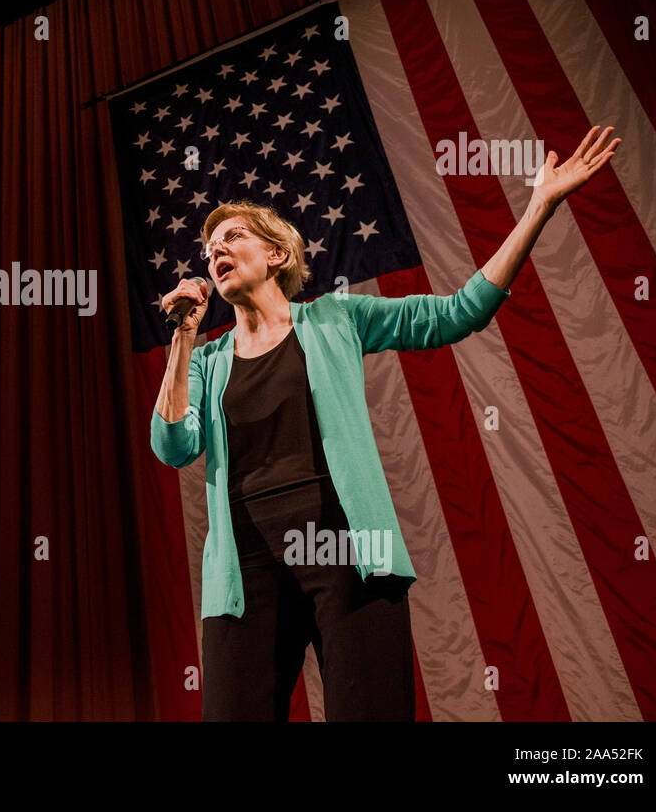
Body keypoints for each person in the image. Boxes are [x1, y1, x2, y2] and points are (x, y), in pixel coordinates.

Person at [151, 126, 621, 721]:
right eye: (210, 246)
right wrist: (184, 335)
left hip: (349, 553)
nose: (215, 250)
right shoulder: (207, 361)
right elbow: (172, 447)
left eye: (233, 237)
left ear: (276, 254)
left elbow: (457, 314)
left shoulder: (335, 318)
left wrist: (539, 206)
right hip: (245, 570)